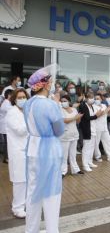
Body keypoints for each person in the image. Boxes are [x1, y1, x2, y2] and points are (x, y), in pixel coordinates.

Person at [23, 65, 65, 233]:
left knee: (32, 191)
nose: (53, 83)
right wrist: (57, 105)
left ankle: (31, 229)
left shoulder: (27, 104)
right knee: (51, 194)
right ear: (46, 85)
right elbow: (59, 130)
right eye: (50, 81)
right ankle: (51, 230)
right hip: (48, 151)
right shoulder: (50, 105)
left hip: (32, 149)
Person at [6, 89, 29, 218]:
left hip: (27, 150)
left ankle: (23, 205)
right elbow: (20, 131)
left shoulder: (25, 111)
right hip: (17, 151)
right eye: (19, 97)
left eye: (24, 97)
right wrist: (31, 122)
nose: (22, 99)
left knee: (26, 180)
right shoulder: (11, 113)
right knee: (19, 180)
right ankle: (17, 208)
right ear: (14, 99)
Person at [79, 93, 104, 172]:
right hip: (87, 130)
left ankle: (89, 162)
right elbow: (87, 118)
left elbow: (93, 116)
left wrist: (98, 114)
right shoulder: (83, 106)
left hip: (93, 129)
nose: (92, 99)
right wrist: (97, 115)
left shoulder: (92, 106)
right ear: (86, 98)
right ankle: (85, 165)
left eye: (92, 97)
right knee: (86, 147)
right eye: (90, 97)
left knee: (92, 147)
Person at [59, 95, 84, 176]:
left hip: (74, 134)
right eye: (62, 101)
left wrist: (79, 117)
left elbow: (77, 122)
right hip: (65, 135)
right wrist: (75, 117)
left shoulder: (74, 109)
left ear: (69, 101)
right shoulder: (60, 110)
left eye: (65, 101)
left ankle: (75, 169)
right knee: (64, 154)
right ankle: (63, 171)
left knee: (73, 154)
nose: (63, 103)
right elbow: (64, 120)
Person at [93, 94, 110, 161]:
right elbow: (100, 114)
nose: (96, 100)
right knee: (96, 142)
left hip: (104, 126)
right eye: (95, 99)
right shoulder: (93, 106)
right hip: (97, 127)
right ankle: (97, 156)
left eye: (98, 98)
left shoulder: (103, 105)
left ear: (101, 99)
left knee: (108, 140)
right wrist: (108, 109)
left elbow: (108, 114)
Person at [0, 89, 13, 163]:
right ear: (9, 95)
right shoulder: (6, 104)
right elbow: (11, 111)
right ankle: (6, 158)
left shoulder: (7, 103)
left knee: (6, 143)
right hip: (5, 127)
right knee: (6, 143)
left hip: (5, 126)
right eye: (12, 94)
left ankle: (6, 157)